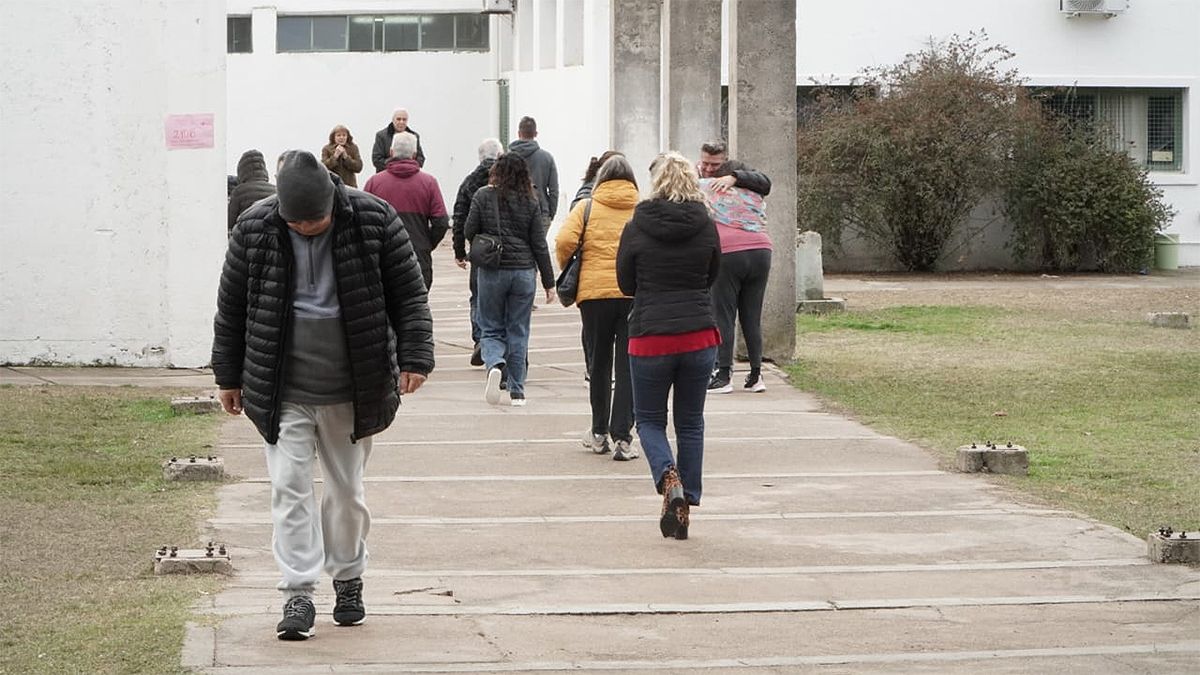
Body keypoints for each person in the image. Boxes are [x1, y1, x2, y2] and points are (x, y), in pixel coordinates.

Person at [212, 150, 434, 641]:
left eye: (317, 220)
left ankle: (349, 579)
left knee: (346, 494)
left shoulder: (374, 218)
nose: (308, 229)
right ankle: (297, 593)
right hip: (281, 387)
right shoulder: (255, 227)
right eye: (298, 223)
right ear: (281, 211)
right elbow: (231, 307)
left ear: (334, 201)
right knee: (289, 487)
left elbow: (408, 293)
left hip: (353, 387)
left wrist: (416, 354)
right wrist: (228, 375)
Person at [616, 151, 720, 541]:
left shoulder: (637, 225)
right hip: (698, 333)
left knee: (649, 420)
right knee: (691, 422)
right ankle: (686, 500)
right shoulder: (706, 225)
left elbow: (626, 283)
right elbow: (712, 274)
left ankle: (667, 477)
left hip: (650, 334)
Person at [555, 155, 639, 460]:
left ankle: (598, 432)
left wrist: (574, 264)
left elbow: (564, 241)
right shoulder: (639, 208)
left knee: (599, 364)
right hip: (632, 294)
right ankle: (623, 438)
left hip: (594, 295)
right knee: (628, 366)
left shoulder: (587, 207)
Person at [464, 153, 556, 407]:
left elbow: (469, 230)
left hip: (493, 270)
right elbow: (539, 243)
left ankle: (494, 364)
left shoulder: (483, 195)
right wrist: (549, 282)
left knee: (490, 326)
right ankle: (517, 391)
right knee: (518, 330)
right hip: (524, 272)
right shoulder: (531, 199)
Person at [701, 161, 772, 394]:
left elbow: (683, 181)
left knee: (724, 315)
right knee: (752, 317)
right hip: (762, 249)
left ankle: (723, 376)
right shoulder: (755, 191)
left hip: (729, 252)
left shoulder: (712, 188)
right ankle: (756, 375)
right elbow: (765, 180)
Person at [363, 132, 448, 290]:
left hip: (384, 256)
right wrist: (427, 243)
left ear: (391, 152)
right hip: (418, 253)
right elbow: (441, 222)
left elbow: (363, 222)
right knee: (417, 307)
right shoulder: (429, 183)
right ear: (415, 154)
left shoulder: (374, 183)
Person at [453, 138, 504, 367]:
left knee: (478, 296)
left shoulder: (469, 183)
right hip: (506, 248)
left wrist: (459, 250)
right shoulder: (510, 180)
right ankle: (500, 341)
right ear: (500, 155)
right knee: (504, 298)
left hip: (480, 249)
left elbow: (460, 217)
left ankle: (480, 338)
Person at [506, 116, 559, 224]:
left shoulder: (507, 158)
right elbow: (554, 190)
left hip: (513, 214)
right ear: (535, 134)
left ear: (519, 133)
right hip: (540, 213)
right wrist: (550, 213)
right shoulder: (547, 158)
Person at [696, 139, 772, 196]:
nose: (709, 169)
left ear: (725, 160)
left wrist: (735, 178)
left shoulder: (734, 167)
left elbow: (765, 185)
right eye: (705, 163)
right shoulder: (691, 172)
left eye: (715, 165)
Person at [227, 149, 276, 234]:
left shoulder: (238, 192)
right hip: (271, 238)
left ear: (241, 170)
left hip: (247, 238)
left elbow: (229, 222)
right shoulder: (275, 191)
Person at [371, 108, 425, 172]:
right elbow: (376, 160)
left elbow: (421, 158)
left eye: (404, 119)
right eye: (398, 119)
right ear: (393, 120)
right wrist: (395, 165)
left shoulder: (414, 136)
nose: (401, 122)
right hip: (387, 175)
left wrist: (408, 166)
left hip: (409, 174)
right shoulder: (381, 136)